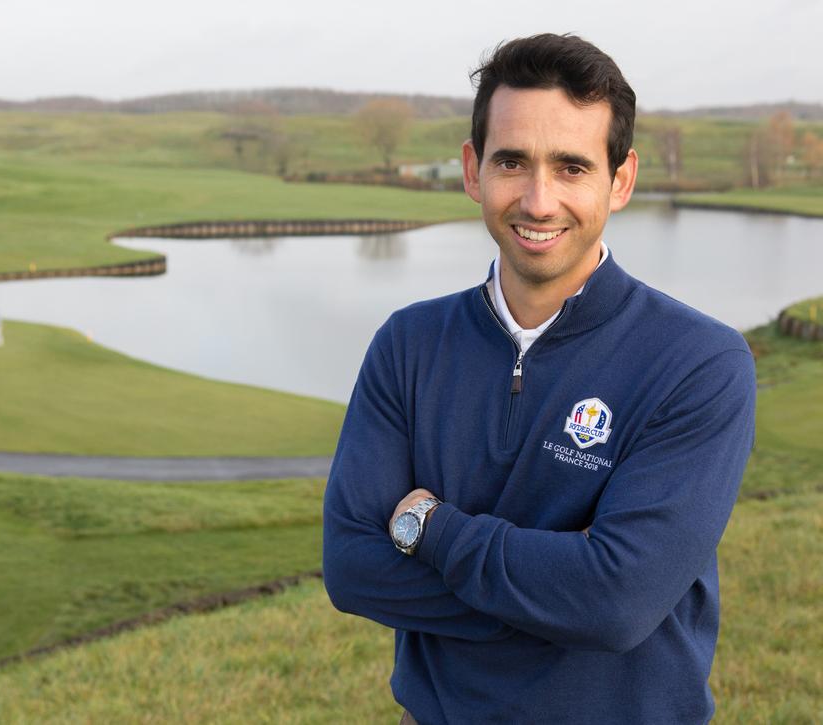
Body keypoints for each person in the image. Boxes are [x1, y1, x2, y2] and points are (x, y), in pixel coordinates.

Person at [322, 34, 756, 724]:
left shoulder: (699, 363)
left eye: (572, 166)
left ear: (621, 179)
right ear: (473, 169)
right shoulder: (407, 344)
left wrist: (427, 528)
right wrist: (562, 595)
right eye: (512, 161)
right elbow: (351, 567)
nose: (538, 199)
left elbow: (617, 602)